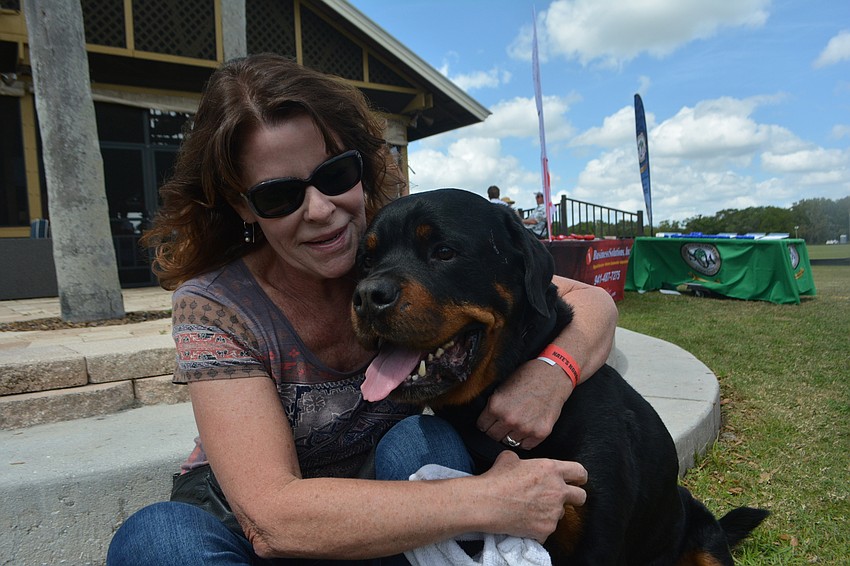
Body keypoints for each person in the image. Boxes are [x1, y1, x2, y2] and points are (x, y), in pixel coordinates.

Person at [106, 53, 618, 565]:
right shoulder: (216, 307)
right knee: (157, 538)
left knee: (422, 441)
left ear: (360, 167)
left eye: (334, 174)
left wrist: (553, 374)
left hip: (387, 521)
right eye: (280, 196)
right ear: (243, 206)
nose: (321, 210)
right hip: (247, 532)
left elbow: (589, 300)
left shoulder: (385, 250)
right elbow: (271, 517)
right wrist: (494, 501)